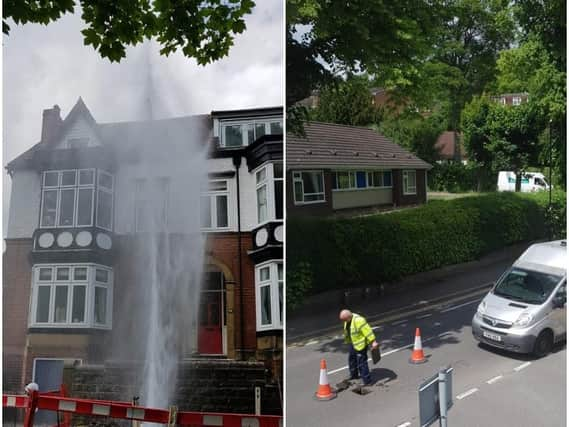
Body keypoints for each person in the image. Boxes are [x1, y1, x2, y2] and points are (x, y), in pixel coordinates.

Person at [340, 309, 379, 386]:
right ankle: (354, 375)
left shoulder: (359, 320)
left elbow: (368, 331)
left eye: (344, 320)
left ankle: (367, 381)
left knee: (362, 363)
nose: (344, 322)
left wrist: (373, 342)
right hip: (353, 343)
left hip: (361, 345)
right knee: (352, 359)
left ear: (348, 317)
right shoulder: (347, 320)